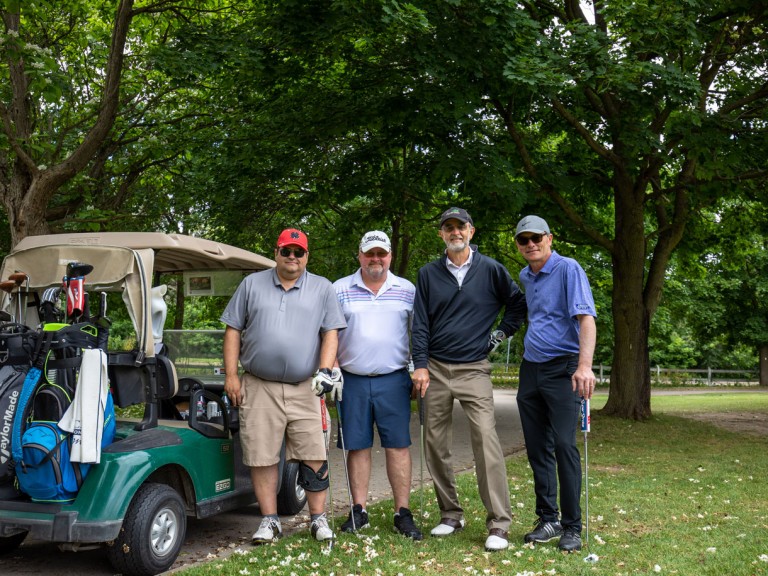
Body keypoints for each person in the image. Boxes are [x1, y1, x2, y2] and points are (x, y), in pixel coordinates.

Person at [220, 228, 346, 545]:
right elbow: (233, 329)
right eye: (286, 251)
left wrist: (325, 371)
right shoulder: (252, 284)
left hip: (307, 385)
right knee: (262, 455)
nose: (292, 257)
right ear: (276, 252)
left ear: (307, 256)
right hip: (259, 385)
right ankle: (269, 521)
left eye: (298, 252)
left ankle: (318, 520)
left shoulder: (322, 288)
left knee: (314, 452)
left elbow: (331, 332)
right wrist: (231, 375)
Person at [411, 207, 527, 552]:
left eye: (460, 227)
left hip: (474, 367)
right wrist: (419, 365)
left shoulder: (491, 269)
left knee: (485, 439)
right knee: (435, 443)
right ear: (441, 235)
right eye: (448, 228)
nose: (455, 232)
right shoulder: (428, 273)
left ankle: (499, 523)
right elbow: (420, 324)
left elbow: (517, 305)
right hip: (434, 367)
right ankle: (450, 514)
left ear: (471, 232)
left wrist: (498, 336)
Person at [513, 215, 597, 552]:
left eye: (536, 238)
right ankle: (548, 518)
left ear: (550, 238)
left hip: (564, 369)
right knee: (536, 448)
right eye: (523, 240)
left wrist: (585, 366)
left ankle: (572, 527)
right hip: (530, 369)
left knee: (564, 445)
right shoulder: (525, 275)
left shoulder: (568, 268)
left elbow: (586, 318)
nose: (531, 244)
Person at [333, 231, 422, 540]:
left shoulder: (407, 290)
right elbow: (329, 333)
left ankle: (403, 512)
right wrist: (329, 367)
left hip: (394, 379)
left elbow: (418, 333)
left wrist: (419, 368)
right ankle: (359, 511)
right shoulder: (340, 289)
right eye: (369, 253)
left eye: (381, 254)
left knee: (398, 445)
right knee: (357, 446)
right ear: (359, 255)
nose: (375, 259)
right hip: (352, 379)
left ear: (390, 257)